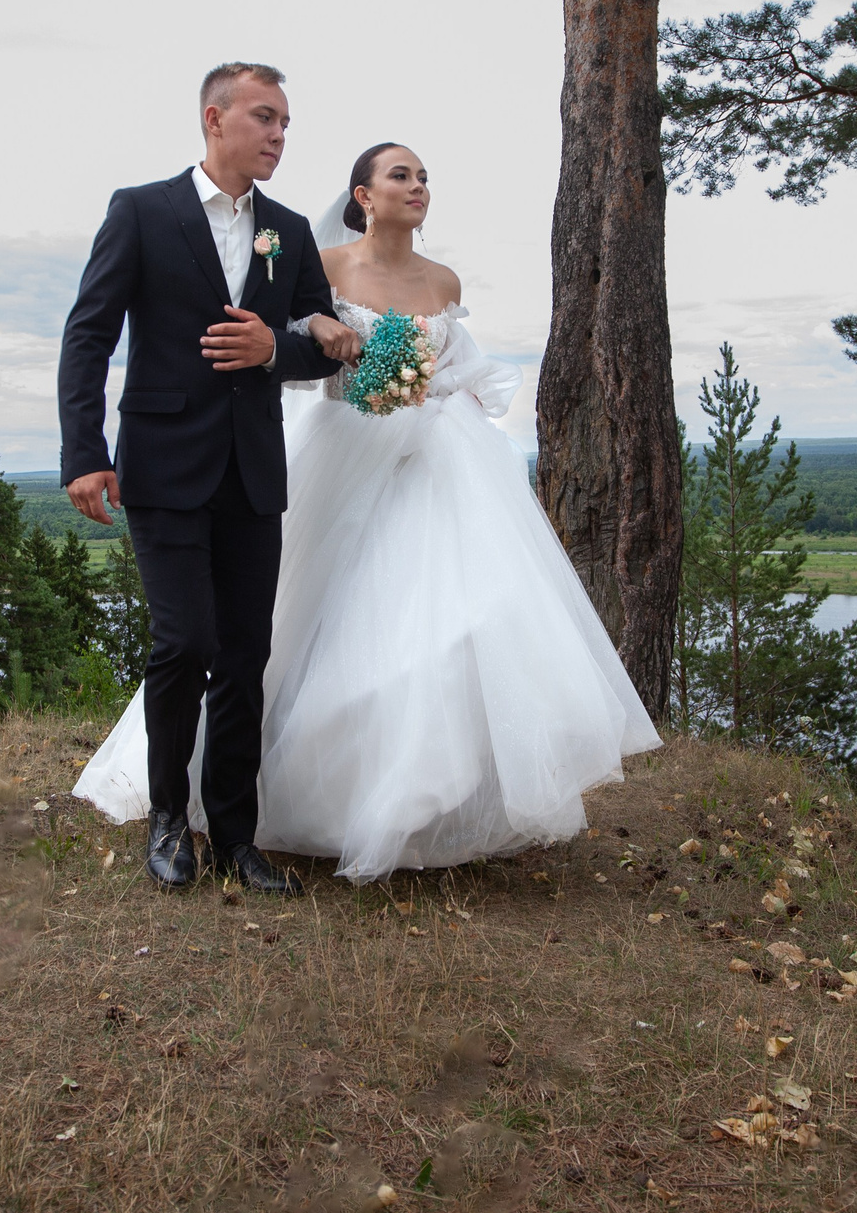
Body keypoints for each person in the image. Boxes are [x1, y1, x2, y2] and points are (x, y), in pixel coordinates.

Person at [75, 141, 660, 880]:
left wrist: (444, 392)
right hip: (346, 446)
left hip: (436, 461)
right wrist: (338, 354)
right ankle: (241, 801)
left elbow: (462, 363)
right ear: (363, 195)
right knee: (298, 624)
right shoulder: (320, 260)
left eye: (424, 177)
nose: (417, 186)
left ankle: (426, 803)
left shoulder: (443, 278)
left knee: (446, 621)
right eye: (401, 174)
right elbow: (298, 340)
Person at [56, 62, 358, 895]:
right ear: (214, 119)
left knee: (244, 653)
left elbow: (318, 341)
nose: (279, 134)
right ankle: (166, 819)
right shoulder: (141, 212)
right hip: (161, 463)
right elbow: (89, 334)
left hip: (253, 472)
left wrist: (276, 349)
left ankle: (235, 834)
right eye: (265, 117)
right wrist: (84, 451)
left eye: (287, 122)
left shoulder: (290, 230)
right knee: (183, 642)